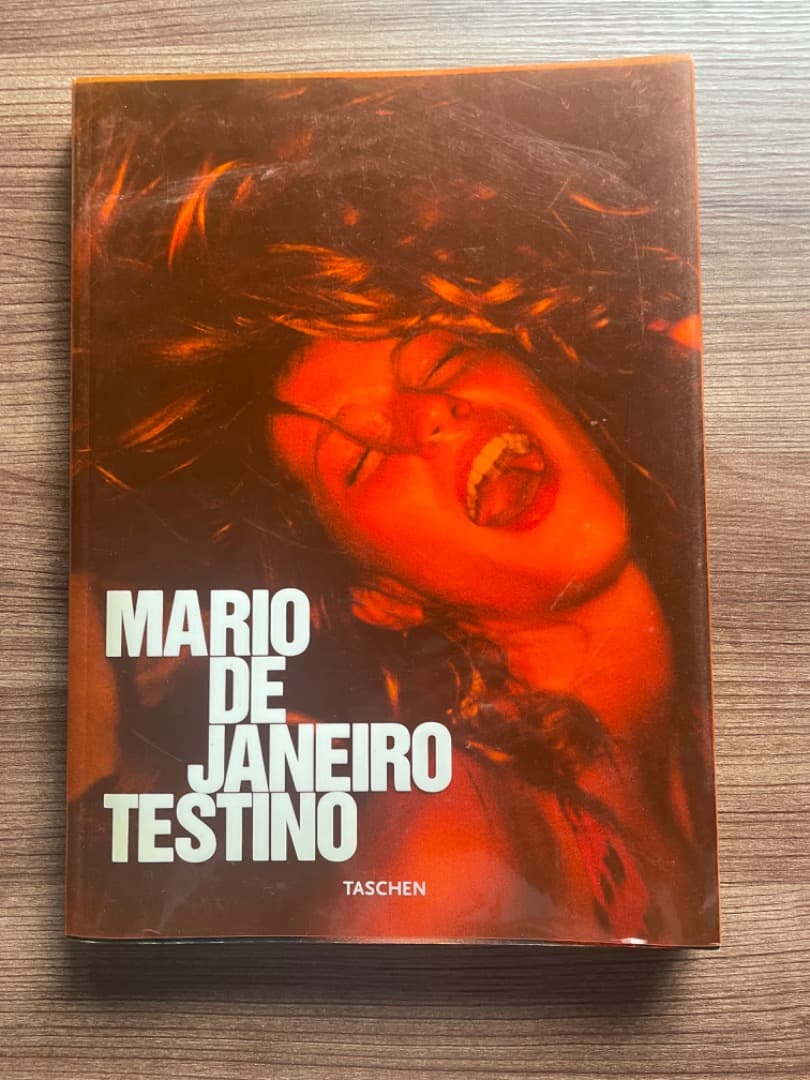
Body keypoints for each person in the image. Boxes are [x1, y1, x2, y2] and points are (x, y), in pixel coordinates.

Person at [70, 72, 717, 943]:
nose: (431, 413)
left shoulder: (715, 721)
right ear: (383, 597)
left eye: (443, 361)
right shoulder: (447, 846)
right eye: (364, 457)